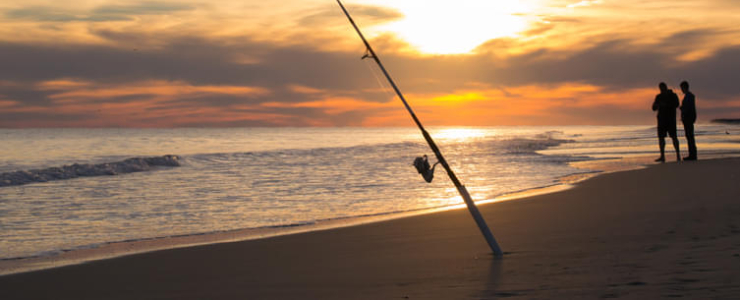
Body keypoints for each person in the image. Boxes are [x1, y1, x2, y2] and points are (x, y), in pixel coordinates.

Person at [652, 82, 681, 162]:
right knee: (661, 138)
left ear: (666, 87)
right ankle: (662, 156)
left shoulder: (672, 95)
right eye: (660, 88)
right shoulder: (658, 97)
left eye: (662, 88)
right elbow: (653, 108)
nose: (661, 90)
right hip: (661, 120)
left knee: (674, 137)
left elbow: (677, 104)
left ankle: (678, 155)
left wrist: (666, 105)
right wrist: (657, 105)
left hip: (670, 119)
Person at [680, 81, 697, 160]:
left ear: (684, 87)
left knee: (689, 136)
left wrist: (683, 109)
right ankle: (692, 154)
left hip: (688, 118)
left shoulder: (689, 96)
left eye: (682, 88)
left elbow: (689, 108)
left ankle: (692, 155)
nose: (681, 90)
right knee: (689, 136)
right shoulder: (689, 96)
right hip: (688, 118)